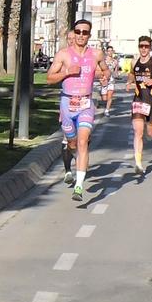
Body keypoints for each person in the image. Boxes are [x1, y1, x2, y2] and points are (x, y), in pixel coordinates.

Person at [45, 17, 110, 203]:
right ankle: (75, 158)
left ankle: (79, 186)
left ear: (89, 35)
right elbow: (49, 78)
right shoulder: (63, 54)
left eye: (85, 32)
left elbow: (105, 70)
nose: (81, 35)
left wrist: (104, 77)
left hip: (86, 104)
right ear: (74, 33)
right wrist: (67, 72)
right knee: (72, 143)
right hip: (67, 104)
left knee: (83, 142)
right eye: (78, 31)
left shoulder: (96, 54)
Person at [129, 36, 152, 176]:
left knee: (150, 133)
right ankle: (138, 163)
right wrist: (129, 82)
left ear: (150, 47)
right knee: (138, 132)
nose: (143, 48)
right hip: (138, 100)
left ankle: (150, 130)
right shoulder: (134, 61)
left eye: (146, 46)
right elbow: (132, 75)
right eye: (141, 46)